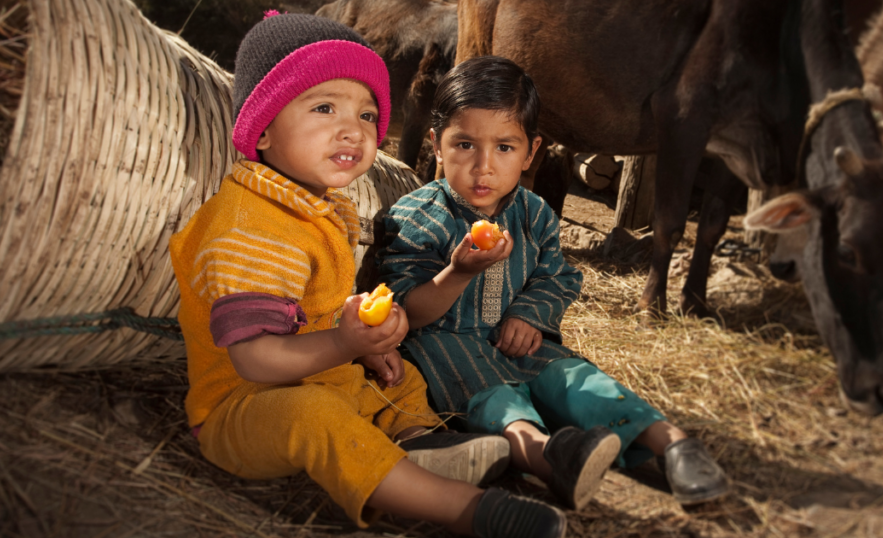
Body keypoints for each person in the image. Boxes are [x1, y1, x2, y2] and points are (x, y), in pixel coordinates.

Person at [168, 14, 567, 538]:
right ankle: (464, 508)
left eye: (366, 113)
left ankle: (422, 442)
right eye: (324, 107)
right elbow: (254, 358)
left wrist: (361, 341)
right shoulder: (249, 227)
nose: (352, 129)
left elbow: (310, 306)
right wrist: (342, 340)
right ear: (262, 128)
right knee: (313, 415)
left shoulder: (309, 207)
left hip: (322, 374)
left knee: (401, 375)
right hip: (247, 408)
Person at [378, 55, 730, 511]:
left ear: (531, 152)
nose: (484, 167)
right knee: (496, 401)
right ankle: (550, 459)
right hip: (449, 347)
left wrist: (528, 315)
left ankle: (673, 443)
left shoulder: (534, 213)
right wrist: (458, 272)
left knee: (575, 378)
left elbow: (556, 277)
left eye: (505, 147)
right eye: (465, 144)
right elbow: (408, 310)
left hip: (522, 343)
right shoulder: (413, 217)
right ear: (437, 145)